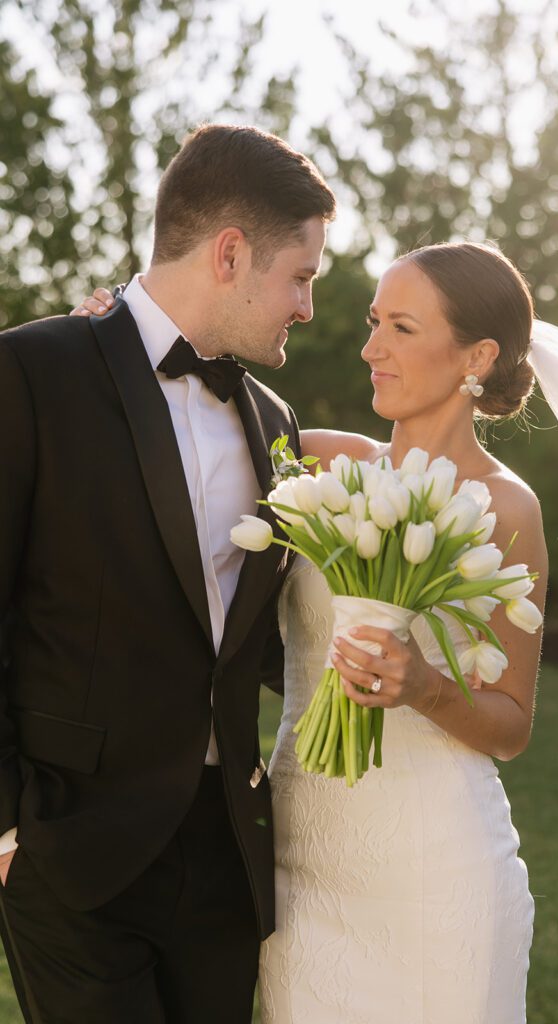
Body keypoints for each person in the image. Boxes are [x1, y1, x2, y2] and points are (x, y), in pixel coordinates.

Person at [72, 206, 558, 1024]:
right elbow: (169, 426)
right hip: (301, 865)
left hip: (436, 871)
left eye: (398, 326)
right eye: (371, 324)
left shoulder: (509, 509)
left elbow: (509, 726)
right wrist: (110, 337)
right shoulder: (312, 455)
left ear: (477, 357)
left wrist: (422, 685)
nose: (370, 348)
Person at [0, 123, 335, 1023]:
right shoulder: (30, 370)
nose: (306, 306)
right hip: (72, 850)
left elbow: (242, 629)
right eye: (300, 276)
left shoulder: (274, 419)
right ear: (231, 253)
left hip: (225, 850)